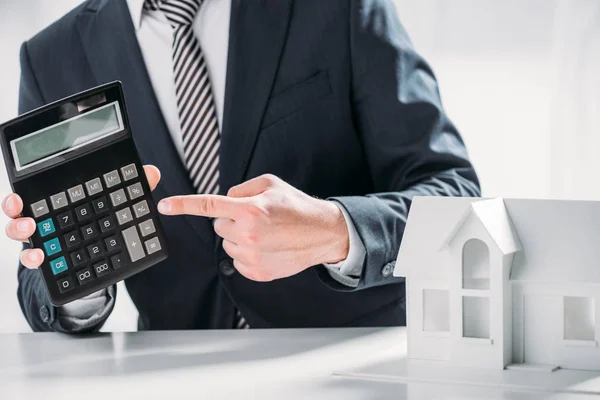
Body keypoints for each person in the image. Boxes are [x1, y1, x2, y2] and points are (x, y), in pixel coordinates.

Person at [4, 0, 480, 332]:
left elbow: (456, 195)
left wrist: (337, 230)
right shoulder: (52, 56)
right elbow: (39, 275)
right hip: (179, 376)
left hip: (347, 360)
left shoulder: (337, 6)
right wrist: (82, 276)